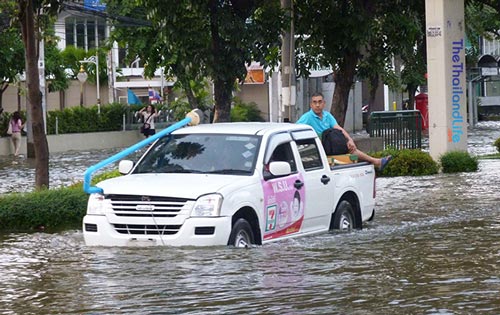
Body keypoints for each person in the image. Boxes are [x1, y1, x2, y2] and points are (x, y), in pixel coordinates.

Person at [296, 92, 392, 171]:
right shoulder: (307, 117)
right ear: (311, 105)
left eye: (320, 102)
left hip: (330, 145)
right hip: (319, 148)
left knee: (350, 148)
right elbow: (296, 129)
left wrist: (350, 140)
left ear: (324, 103)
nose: (317, 105)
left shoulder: (327, 116)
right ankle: (376, 161)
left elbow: (339, 128)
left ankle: (376, 162)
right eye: (315, 102)